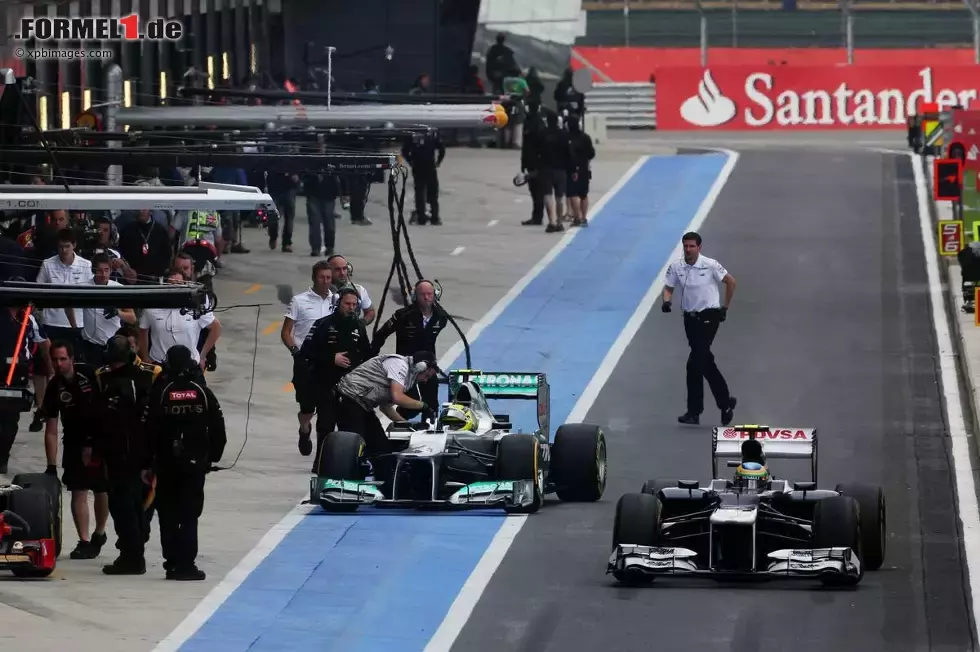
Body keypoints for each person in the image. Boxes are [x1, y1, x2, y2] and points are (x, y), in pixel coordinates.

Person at [144, 345, 226, 581]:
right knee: (189, 515)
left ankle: (171, 562)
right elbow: (218, 428)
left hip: (166, 464)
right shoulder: (201, 390)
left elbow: (149, 428)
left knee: (167, 514)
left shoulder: (161, 389)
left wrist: (148, 462)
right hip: (194, 464)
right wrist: (211, 458)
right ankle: (186, 564)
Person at [91, 335, 162, 574]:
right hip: (117, 453)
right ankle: (132, 550)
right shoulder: (102, 376)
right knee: (122, 505)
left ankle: (133, 554)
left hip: (142, 452)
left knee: (138, 502)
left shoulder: (153, 373)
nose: (115, 366)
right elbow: (98, 416)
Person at [662, 231, 737, 426]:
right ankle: (724, 402)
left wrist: (725, 308)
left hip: (709, 317)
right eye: (685, 246)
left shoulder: (710, 264)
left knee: (696, 361)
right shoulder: (676, 266)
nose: (688, 250)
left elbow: (731, 281)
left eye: (692, 246)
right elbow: (669, 287)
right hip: (690, 319)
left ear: (699, 247)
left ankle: (699, 410)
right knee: (703, 361)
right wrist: (667, 302)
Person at [41, 340, 108, 560]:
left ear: (72, 359)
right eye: (55, 360)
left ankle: (100, 532)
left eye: (63, 359)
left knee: (101, 490)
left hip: (99, 439)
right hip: (73, 441)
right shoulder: (54, 386)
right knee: (78, 491)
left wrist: (95, 444)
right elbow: (51, 428)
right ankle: (85, 540)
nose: (59, 364)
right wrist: (51, 464)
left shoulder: (91, 374)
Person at [333, 351, 440, 486]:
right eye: (427, 375)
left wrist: (407, 426)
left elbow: (386, 407)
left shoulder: (407, 379)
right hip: (348, 399)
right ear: (421, 367)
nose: (425, 380)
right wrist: (423, 406)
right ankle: (348, 485)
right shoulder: (398, 364)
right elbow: (398, 397)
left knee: (381, 447)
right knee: (355, 445)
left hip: (363, 405)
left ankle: (387, 485)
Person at [300, 288, 373, 467]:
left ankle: (350, 464)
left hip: (351, 387)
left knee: (351, 427)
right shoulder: (323, 324)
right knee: (326, 425)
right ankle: (321, 463)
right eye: (347, 304)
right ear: (338, 303)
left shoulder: (359, 327)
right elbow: (306, 351)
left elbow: (367, 355)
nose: (351, 308)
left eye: (355, 305)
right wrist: (331, 358)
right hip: (326, 383)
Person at [281, 261, 336, 449]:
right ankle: (304, 427)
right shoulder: (299, 300)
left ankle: (324, 445)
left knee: (327, 406)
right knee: (306, 407)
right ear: (314, 278)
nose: (326, 281)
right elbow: (286, 332)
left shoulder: (336, 301)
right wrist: (295, 352)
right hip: (305, 361)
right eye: (322, 277)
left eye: (329, 278)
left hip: (328, 362)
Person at [372, 280, 448, 415]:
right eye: (422, 294)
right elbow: (380, 335)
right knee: (410, 406)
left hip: (428, 367)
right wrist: (371, 358)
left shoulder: (441, 317)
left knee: (432, 406)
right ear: (414, 296)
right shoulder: (402, 315)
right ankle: (399, 425)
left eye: (429, 294)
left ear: (435, 295)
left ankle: (430, 430)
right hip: (405, 367)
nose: (426, 298)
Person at [139, 273, 221, 368]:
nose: (174, 287)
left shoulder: (196, 304)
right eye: (170, 284)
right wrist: (145, 357)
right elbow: (142, 330)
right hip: (159, 363)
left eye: (178, 284)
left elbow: (216, 328)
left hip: (190, 364)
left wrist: (202, 355)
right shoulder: (153, 305)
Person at [0, 305, 47, 473]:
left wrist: (51, 368)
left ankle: (2, 457)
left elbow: (43, 342)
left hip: (18, 376)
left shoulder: (29, 319)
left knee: (11, 420)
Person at [36, 228, 93, 352]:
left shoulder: (86, 265)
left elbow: (90, 293)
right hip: (51, 321)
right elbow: (38, 289)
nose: (64, 250)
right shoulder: (47, 264)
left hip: (77, 323)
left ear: (74, 245)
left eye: (67, 246)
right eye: (60, 247)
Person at [81, 254, 137, 366]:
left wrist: (117, 312)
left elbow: (133, 319)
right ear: (93, 270)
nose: (103, 274)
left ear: (111, 270)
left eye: (106, 270)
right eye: (100, 271)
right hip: (90, 345)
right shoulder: (83, 287)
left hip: (114, 345)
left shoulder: (119, 289)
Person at [402, 130, 446, 226]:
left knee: (419, 192)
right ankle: (434, 217)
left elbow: (404, 151)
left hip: (417, 166)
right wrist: (438, 161)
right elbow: (442, 149)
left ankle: (421, 217)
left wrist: (411, 162)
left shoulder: (412, 135)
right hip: (430, 166)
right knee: (433, 192)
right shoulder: (432, 134)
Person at [117, 209, 172, 283]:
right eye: (138, 208)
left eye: (143, 208)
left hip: (154, 279)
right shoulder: (127, 230)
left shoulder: (160, 231)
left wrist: (159, 272)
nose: (140, 211)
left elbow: (167, 255)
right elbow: (121, 253)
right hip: (132, 279)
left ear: (150, 210)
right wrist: (127, 269)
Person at [327, 255, 376, 325]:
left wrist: (361, 323)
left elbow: (370, 311)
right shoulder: (322, 291)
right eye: (337, 270)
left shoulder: (358, 290)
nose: (342, 273)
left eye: (344, 269)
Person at [566, 116, 595, 228]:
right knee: (583, 194)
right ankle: (583, 217)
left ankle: (577, 217)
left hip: (571, 168)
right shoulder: (585, 137)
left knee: (573, 193)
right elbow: (591, 153)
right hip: (584, 168)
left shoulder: (567, 137)